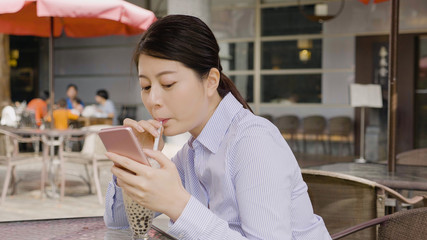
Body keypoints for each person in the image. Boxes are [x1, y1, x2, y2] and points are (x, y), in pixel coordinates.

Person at [104, 15, 331, 239]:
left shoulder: (253, 142)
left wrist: (178, 205)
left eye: (168, 84)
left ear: (211, 81)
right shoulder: (190, 154)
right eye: (145, 86)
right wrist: (137, 159)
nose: (153, 99)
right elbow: (119, 223)